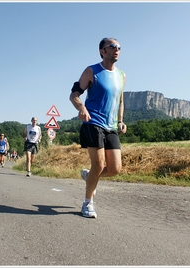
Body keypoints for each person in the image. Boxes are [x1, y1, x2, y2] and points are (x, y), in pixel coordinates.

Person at [69, 37, 127, 218]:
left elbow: (120, 100)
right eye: (113, 46)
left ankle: (90, 176)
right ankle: (88, 203)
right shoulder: (92, 71)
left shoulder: (122, 75)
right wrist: (82, 107)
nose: (117, 49)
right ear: (102, 51)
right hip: (93, 123)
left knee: (115, 169)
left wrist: (120, 121)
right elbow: (74, 95)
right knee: (99, 164)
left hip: (111, 127)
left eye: (119, 47)